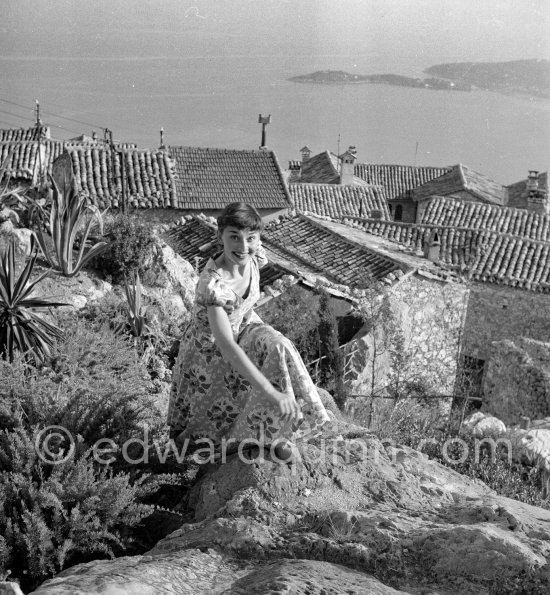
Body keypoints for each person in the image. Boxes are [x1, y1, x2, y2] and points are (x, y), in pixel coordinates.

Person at [167, 202, 331, 462]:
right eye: (234, 237)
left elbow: (244, 307)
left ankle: (281, 432)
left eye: (250, 238)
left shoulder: (254, 255)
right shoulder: (213, 284)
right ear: (220, 236)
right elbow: (225, 344)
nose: (243, 247)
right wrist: (270, 391)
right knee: (207, 432)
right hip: (209, 352)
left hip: (244, 327)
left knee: (279, 345)